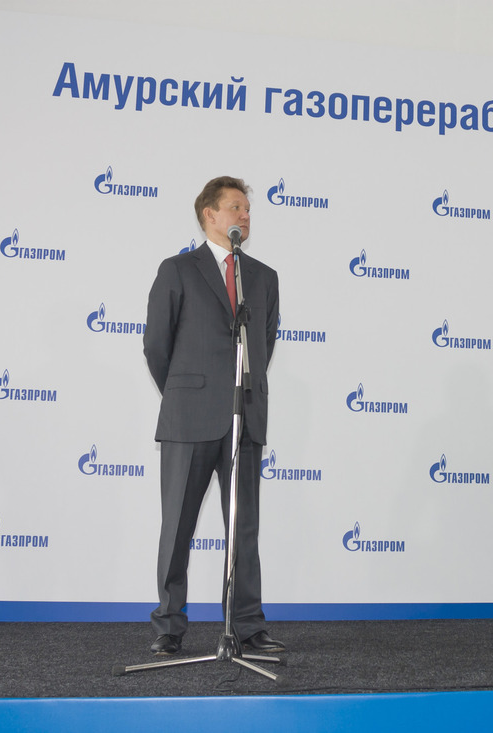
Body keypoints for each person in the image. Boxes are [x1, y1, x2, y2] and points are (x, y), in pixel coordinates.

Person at [142, 176, 284, 656]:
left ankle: (247, 625)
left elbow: (264, 343)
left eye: (248, 209)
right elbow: (156, 346)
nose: (245, 215)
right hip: (189, 418)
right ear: (210, 215)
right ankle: (168, 625)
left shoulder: (263, 277)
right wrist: (185, 394)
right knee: (177, 525)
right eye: (236, 208)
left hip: (245, 417)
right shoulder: (178, 269)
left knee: (244, 527)